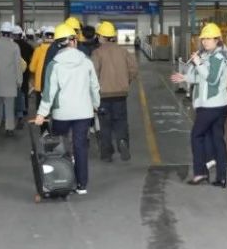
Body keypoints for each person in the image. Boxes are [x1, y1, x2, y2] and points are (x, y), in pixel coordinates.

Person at [33, 23, 101, 196]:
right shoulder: (86, 61)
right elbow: (94, 86)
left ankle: (62, 180)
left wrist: (41, 113)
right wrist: (96, 104)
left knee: (60, 146)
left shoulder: (54, 64)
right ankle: (82, 185)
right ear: (74, 41)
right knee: (80, 146)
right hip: (84, 112)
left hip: (62, 113)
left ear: (58, 44)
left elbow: (49, 93)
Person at [171, 23, 227, 187]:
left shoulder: (218, 57)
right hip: (216, 105)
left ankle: (201, 172)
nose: (205, 42)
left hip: (211, 105)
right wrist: (185, 78)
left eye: (208, 39)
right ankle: (220, 177)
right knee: (216, 139)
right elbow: (201, 79)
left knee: (197, 136)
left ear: (217, 40)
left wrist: (198, 63)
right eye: (203, 39)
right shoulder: (208, 55)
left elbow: (212, 79)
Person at [90, 21, 139, 162]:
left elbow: (93, 74)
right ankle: (122, 142)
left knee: (105, 125)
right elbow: (134, 69)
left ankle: (106, 154)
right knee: (121, 121)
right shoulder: (123, 51)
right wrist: (126, 81)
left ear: (101, 37)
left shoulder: (97, 53)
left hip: (103, 95)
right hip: (120, 94)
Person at [0, 26, 26, 136]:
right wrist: (19, 80)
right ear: (10, 34)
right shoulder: (14, 46)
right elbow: (18, 65)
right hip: (10, 81)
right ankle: (9, 128)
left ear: (1, 33)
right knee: (9, 107)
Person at [14, 25, 36, 129]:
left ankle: (16, 108)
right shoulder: (27, 46)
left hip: (13, 71)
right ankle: (25, 108)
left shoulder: (12, 45)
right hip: (25, 70)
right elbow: (32, 56)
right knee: (24, 89)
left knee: (15, 90)